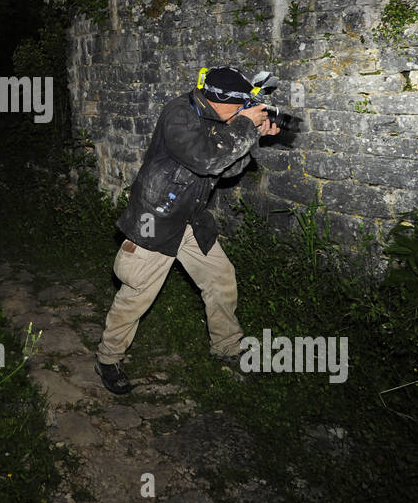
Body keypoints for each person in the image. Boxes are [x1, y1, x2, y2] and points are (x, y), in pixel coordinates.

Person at [95, 65, 281, 395]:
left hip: (190, 219)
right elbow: (206, 159)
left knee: (220, 277)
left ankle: (226, 347)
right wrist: (243, 126)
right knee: (137, 293)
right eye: (240, 106)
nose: (242, 112)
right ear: (220, 99)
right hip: (157, 217)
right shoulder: (179, 115)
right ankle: (107, 359)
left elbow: (224, 169)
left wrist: (252, 135)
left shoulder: (218, 117)